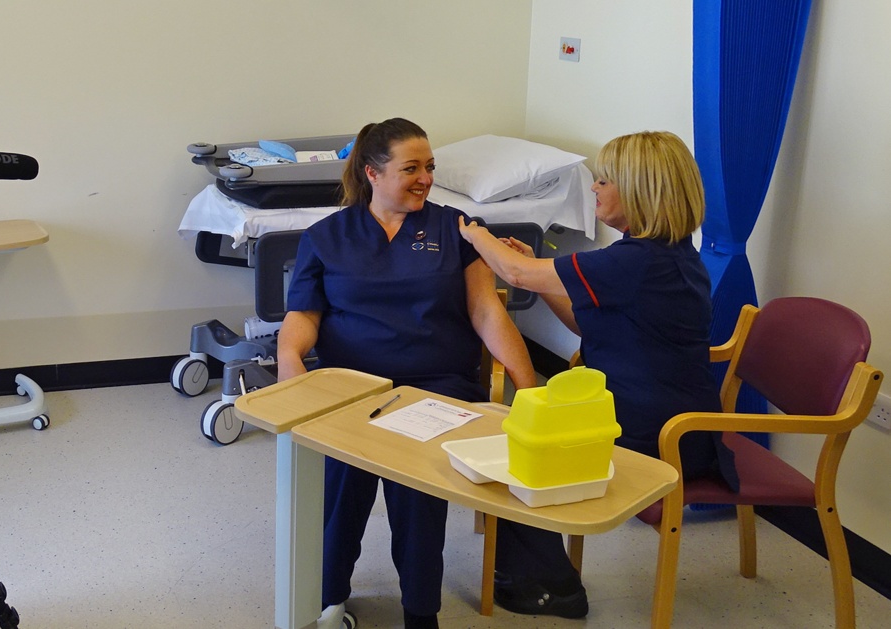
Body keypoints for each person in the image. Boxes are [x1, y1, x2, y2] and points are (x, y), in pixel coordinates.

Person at [457, 130, 738, 619]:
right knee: (512, 435)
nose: (594, 189)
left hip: (664, 434)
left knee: (518, 454)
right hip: (662, 413)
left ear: (639, 190)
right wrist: (537, 271)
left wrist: (476, 233)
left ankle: (554, 587)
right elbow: (583, 321)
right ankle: (536, 572)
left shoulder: (636, 262)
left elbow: (517, 276)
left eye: (603, 181)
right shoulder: (665, 254)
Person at [277, 118, 537, 629]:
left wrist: (530, 387)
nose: (425, 178)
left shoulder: (455, 227)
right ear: (373, 173)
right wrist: (292, 380)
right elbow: (302, 319)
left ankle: (421, 612)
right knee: (338, 484)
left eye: (430, 167)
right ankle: (328, 598)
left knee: (419, 489)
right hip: (350, 387)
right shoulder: (326, 237)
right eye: (411, 168)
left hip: (435, 387)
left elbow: (486, 311)